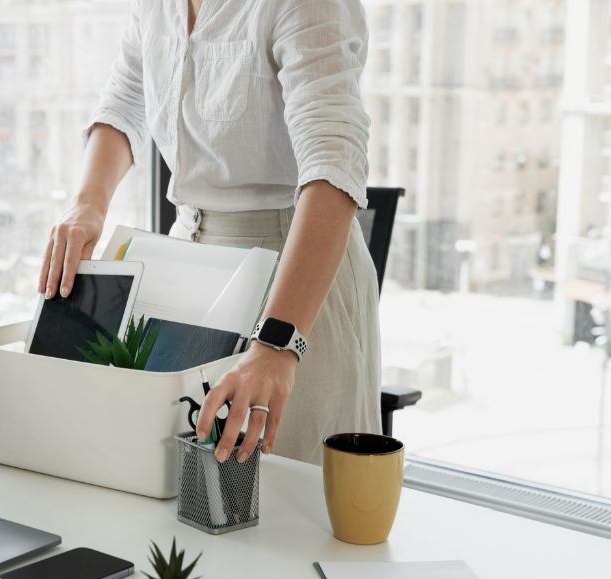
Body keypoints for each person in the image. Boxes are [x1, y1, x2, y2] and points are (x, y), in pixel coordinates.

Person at [38, 0, 380, 466]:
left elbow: (333, 161)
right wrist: (88, 205)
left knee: (290, 501)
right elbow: (125, 100)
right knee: (188, 489)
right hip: (190, 264)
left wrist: (278, 340)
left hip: (292, 278)